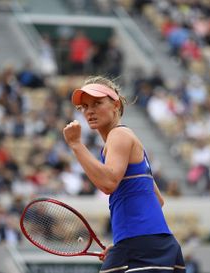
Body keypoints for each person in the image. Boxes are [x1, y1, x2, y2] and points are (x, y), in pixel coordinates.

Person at [63, 76, 186, 272]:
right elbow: (157, 199)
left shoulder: (119, 135)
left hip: (143, 247)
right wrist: (121, 242)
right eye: (84, 107)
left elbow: (109, 182)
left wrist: (76, 145)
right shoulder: (124, 137)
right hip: (151, 245)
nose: (89, 111)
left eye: (97, 103)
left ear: (116, 104)